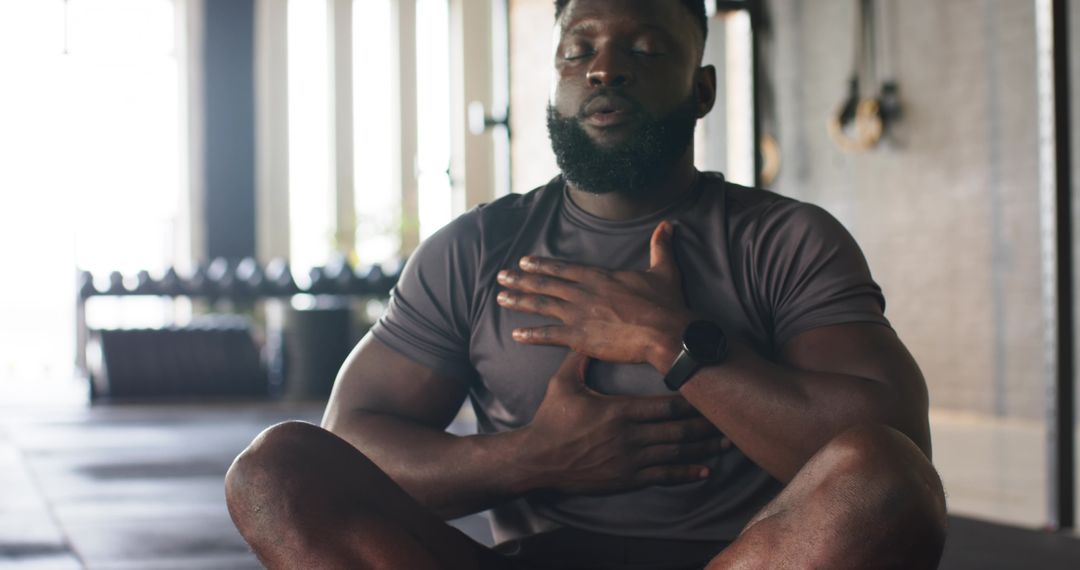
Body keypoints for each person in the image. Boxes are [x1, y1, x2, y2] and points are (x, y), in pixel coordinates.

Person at [225, 0, 947, 567]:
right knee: (276, 472)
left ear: (702, 89)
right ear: (558, 82)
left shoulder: (785, 240)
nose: (604, 69)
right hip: (533, 558)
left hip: (747, 559)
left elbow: (895, 454)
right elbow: (351, 445)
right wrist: (531, 458)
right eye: (579, 52)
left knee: (884, 477)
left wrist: (672, 340)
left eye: (643, 49)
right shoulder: (476, 249)